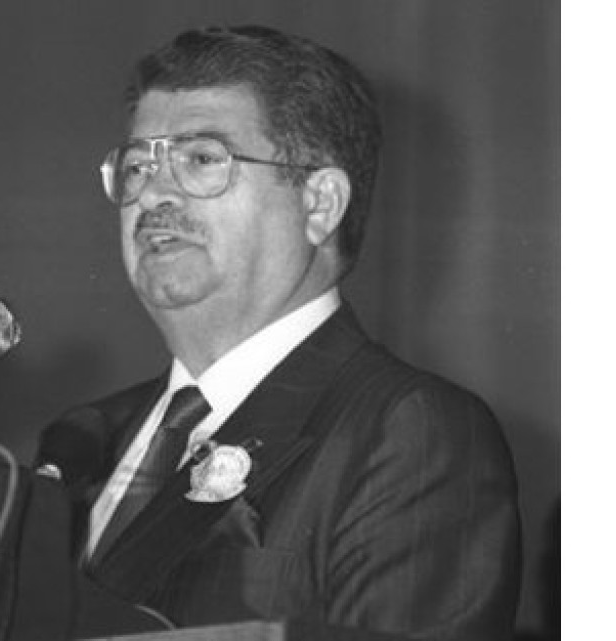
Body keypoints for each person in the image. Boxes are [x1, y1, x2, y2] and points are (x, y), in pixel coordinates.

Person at [38, 25, 522, 640]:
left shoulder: (411, 433)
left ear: (320, 204)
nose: (152, 192)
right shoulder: (83, 440)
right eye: (137, 165)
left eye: (202, 159)